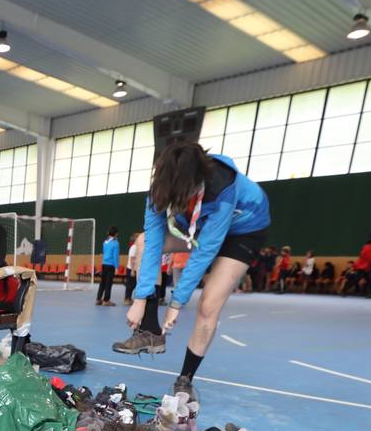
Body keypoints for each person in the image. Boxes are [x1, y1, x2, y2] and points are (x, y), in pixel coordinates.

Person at [111, 142, 271, 399]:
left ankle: (185, 378)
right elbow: (153, 241)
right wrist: (140, 298)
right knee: (141, 241)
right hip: (198, 225)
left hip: (243, 230)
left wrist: (177, 303)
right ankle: (151, 332)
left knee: (208, 305)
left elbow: (204, 251)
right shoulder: (159, 189)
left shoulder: (222, 186)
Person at [97, 226, 120, 306]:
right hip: (111, 266)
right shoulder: (116, 243)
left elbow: (103, 253)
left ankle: (98, 299)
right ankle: (106, 300)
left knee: (102, 282)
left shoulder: (105, 242)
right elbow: (115, 256)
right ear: (116, 234)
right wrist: (117, 267)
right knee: (108, 283)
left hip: (104, 264)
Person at [124, 232, 140, 301]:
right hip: (131, 269)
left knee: (134, 284)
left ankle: (129, 298)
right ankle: (127, 298)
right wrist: (133, 271)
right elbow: (131, 259)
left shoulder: (138, 247)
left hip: (135, 269)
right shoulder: (134, 247)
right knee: (130, 285)